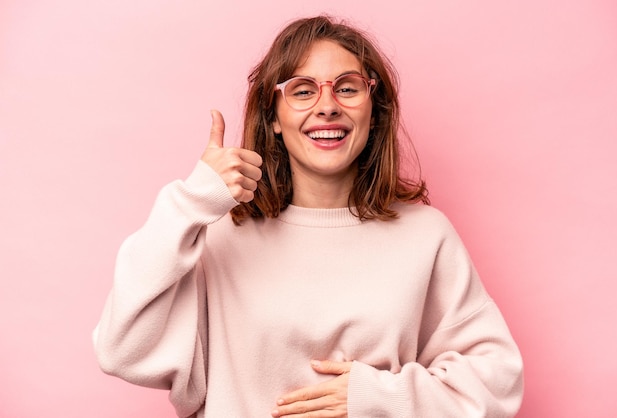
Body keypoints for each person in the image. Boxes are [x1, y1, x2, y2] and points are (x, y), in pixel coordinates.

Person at [93, 15, 524, 417]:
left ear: (373, 113)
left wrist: (379, 397)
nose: (327, 106)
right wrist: (192, 201)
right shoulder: (221, 238)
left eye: (348, 88)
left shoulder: (426, 235)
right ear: (274, 118)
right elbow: (120, 350)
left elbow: (498, 380)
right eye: (302, 90)